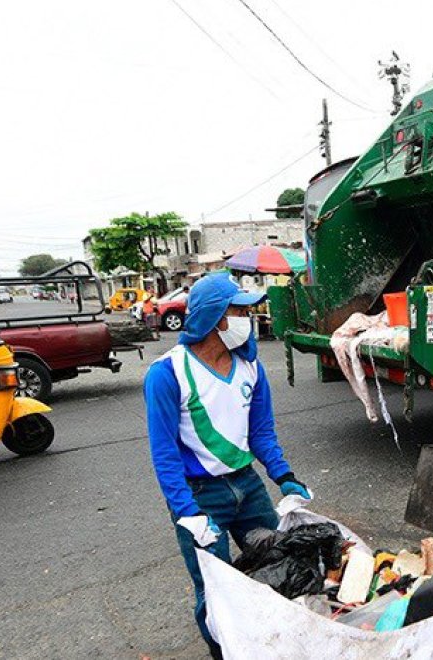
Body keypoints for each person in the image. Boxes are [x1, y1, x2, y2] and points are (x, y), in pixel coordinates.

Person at [144, 273, 312, 657]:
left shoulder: (251, 368)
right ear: (214, 317)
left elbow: (262, 434)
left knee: (279, 566)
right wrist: (188, 513)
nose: (247, 319)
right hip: (200, 497)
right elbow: (164, 453)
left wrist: (284, 477)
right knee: (215, 589)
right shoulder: (168, 374)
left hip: (248, 487)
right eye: (238, 310)